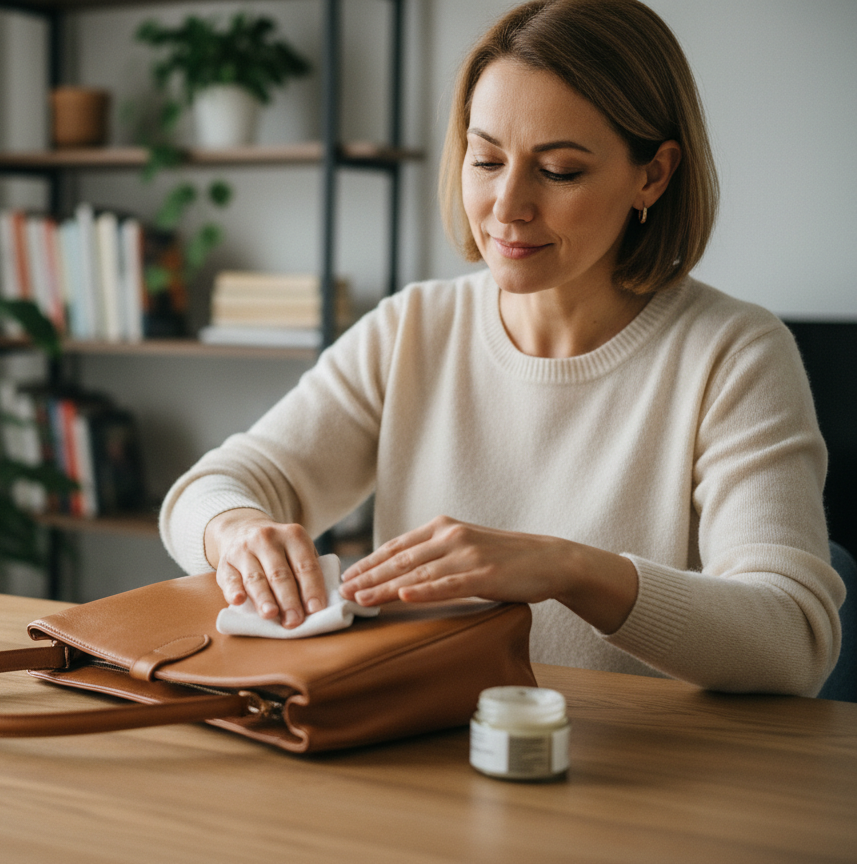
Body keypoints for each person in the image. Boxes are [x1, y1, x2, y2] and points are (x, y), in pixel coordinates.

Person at [158, 0, 844, 695]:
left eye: (560, 171)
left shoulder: (735, 354)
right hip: (432, 752)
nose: (507, 206)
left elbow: (792, 640)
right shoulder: (413, 328)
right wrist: (239, 532)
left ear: (653, 175)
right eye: (486, 159)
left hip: (636, 781)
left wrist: (571, 569)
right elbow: (205, 493)